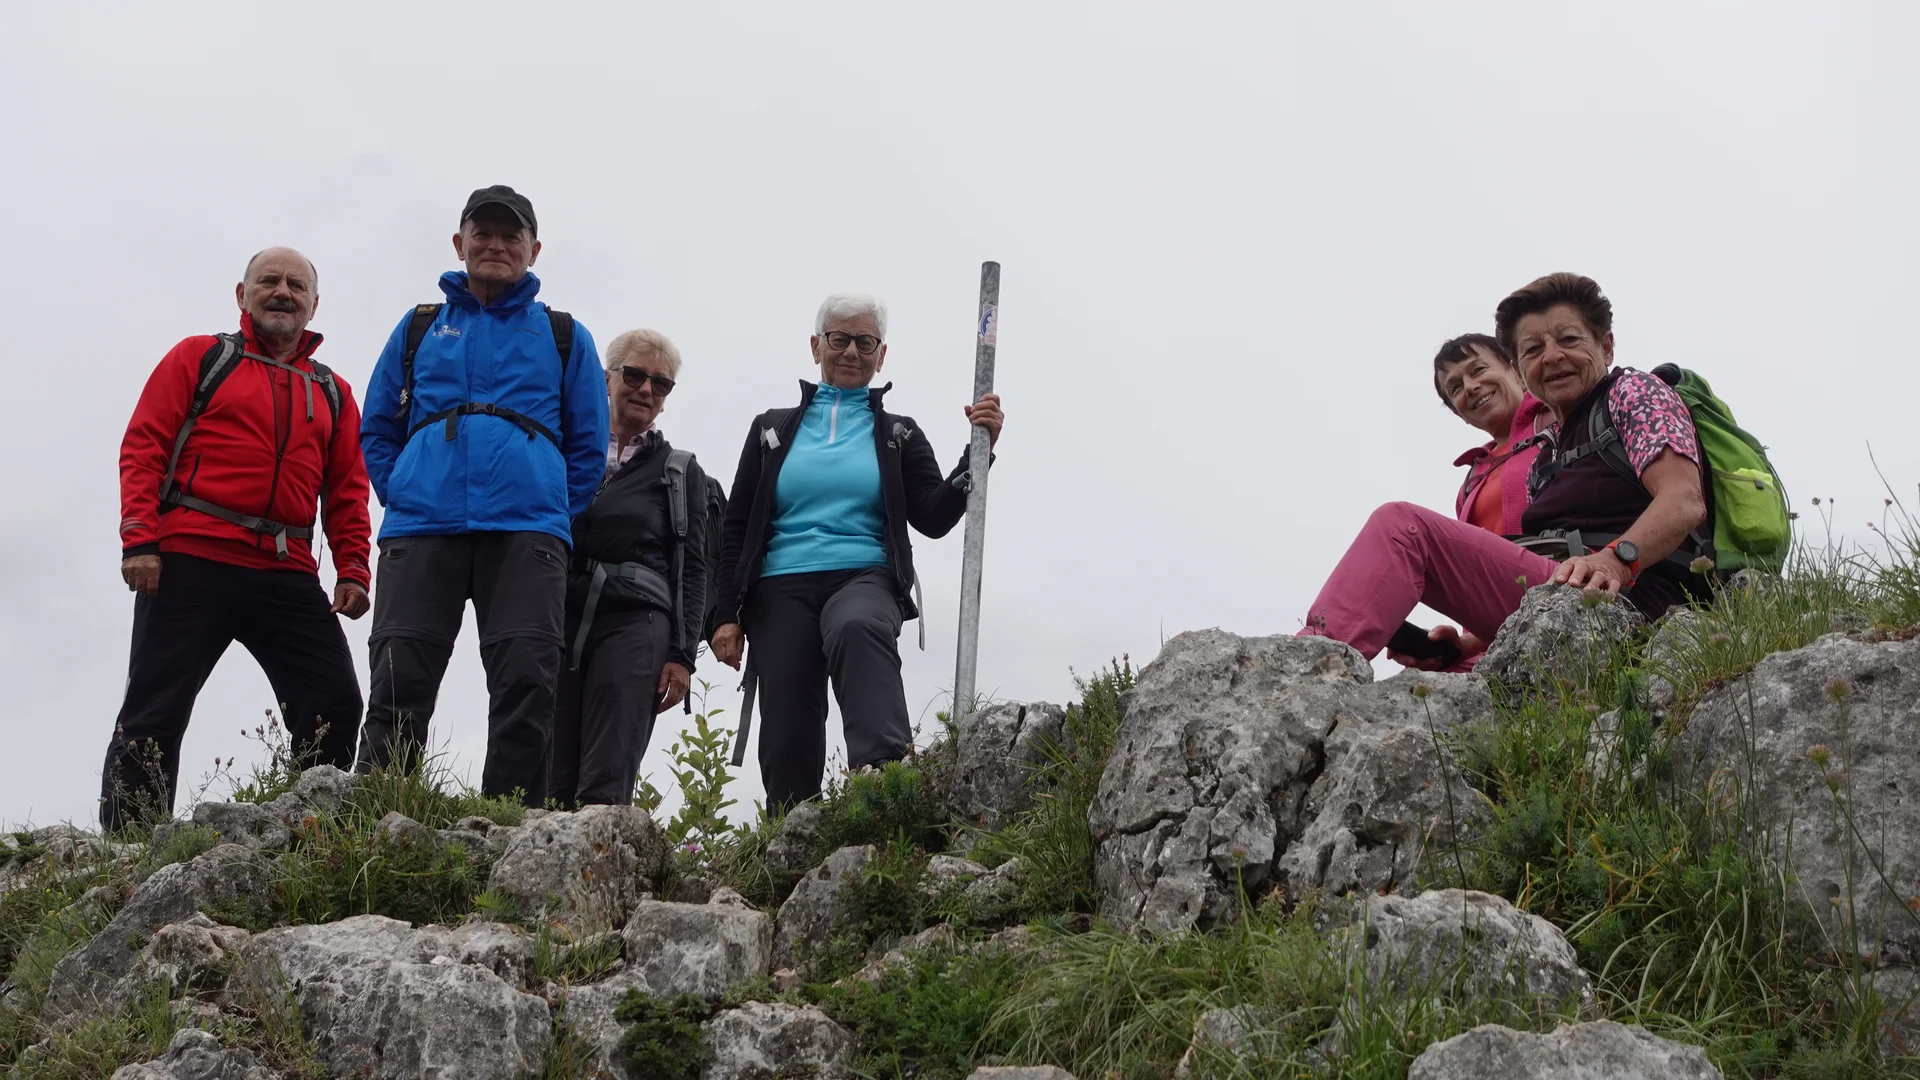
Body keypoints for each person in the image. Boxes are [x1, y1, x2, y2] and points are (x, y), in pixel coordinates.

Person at [1302, 273, 1708, 666]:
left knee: (1402, 527)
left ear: (1606, 347)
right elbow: (1540, 561)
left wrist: (1615, 560)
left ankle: (1307, 665)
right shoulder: (1547, 456)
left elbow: (1683, 500)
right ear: (1522, 367)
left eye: (1569, 339)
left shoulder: (1633, 392)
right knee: (1450, 682)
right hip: (1565, 605)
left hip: (1629, 603)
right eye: (1533, 349)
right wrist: (1467, 645)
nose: (1552, 356)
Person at [357, 186, 609, 805]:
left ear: (533, 249)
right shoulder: (419, 326)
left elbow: (588, 445)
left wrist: (551, 508)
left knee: (526, 678)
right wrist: (405, 490)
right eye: (483, 233)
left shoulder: (564, 335)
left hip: (528, 531)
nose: (496, 245)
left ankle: (507, 824)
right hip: (422, 526)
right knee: (399, 676)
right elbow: (377, 427)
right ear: (459, 242)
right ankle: (376, 819)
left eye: (510, 235)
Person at [106, 248, 371, 830]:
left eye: (296, 285)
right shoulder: (199, 357)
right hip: (190, 555)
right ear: (242, 294)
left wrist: (353, 567)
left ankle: (306, 831)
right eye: (269, 281)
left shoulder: (332, 390)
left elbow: (347, 489)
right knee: (155, 707)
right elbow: (144, 446)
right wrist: (139, 540)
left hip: (286, 568)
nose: (283, 292)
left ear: (314, 304)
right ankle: (129, 846)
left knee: (334, 701)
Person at [711, 293, 1005, 810]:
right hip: (779, 586)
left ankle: (886, 790)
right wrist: (724, 615)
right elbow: (736, 525)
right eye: (839, 339)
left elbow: (933, 516)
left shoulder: (898, 433)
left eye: (865, 342)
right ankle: (792, 828)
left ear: (881, 355)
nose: (851, 351)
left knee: (857, 626)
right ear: (816, 346)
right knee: (788, 721)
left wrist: (979, 450)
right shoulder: (770, 430)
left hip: (864, 575)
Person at [549, 330, 709, 807]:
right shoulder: (561, 447)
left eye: (661, 383)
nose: (646, 389)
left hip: (638, 621)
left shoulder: (679, 470)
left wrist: (682, 656)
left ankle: (598, 853)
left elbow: (693, 568)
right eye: (635, 375)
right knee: (547, 769)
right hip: (558, 613)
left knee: (609, 768)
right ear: (606, 379)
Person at [1434, 333, 1551, 538]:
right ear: (1459, 414)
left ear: (1517, 372)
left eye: (1478, 370)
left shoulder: (1560, 420)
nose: (1470, 387)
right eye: (1456, 388)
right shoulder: (1471, 484)